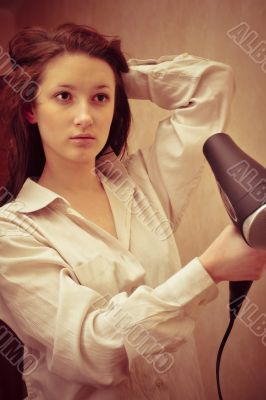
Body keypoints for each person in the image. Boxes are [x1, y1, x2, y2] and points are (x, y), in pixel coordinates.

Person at [0, 22, 265, 400]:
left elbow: (211, 84)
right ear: (30, 110)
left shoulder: (144, 186)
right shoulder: (12, 235)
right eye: (63, 97)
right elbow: (95, 350)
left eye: (100, 99)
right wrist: (209, 270)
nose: (85, 117)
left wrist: (111, 74)